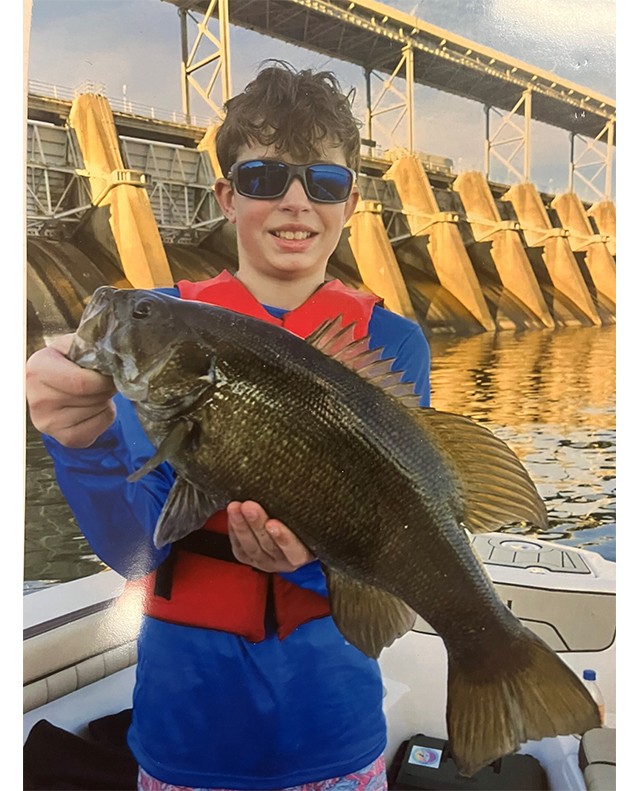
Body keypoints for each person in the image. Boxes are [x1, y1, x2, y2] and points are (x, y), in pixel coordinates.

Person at [25, 61, 431, 791]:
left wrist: (307, 562)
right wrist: (80, 443)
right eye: (264, 178)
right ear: (224, 194)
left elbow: (401, 530)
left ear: (351, 201)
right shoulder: (159, 330)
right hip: (185, 735)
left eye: (325, 182)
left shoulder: (393, 344)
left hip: (334, 730)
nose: (296, 201)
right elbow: (135, 554)